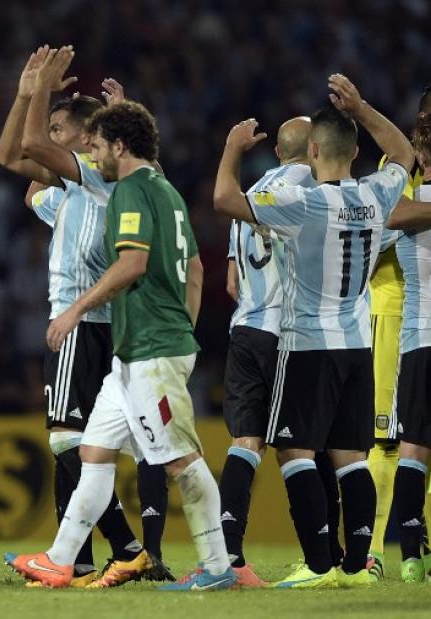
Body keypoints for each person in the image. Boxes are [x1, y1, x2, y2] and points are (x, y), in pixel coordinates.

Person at [5, 71, 234, 590]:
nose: (93, 154)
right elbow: (195, 269)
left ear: (120, 147)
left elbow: (131, 264)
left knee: (181, 459)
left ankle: (219, 568)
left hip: (151, 347)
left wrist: (71, 312)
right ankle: (60, 559)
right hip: (136, 351)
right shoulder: (167, 190)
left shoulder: (130, 191)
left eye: (100, 145)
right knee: (92, 451)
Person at [213, 74, 413, 588]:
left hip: (302, 341)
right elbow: (403, 154)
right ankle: (359, 562)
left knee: (294, 451)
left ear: (314, 149)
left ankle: (321, 560)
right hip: (357, 341)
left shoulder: (302, 203)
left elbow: (225, 202)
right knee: (350, 456)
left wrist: (233, 151)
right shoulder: (377, 194)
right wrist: (363, 106)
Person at [0, 46, 154, 588]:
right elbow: (13, 159)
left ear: (88, 140)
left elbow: (29, 146)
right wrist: (24, 96)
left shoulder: (99, 178)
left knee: (67, 440)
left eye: (61, 129)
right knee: (82, 442)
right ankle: (76, 560)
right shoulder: (72, 193)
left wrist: (36, 87)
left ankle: (129, 548)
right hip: (101, 325)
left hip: (84, 324)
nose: (50, 136)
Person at [220, 117, 318, 587]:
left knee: (246, 443)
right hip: (286, 331)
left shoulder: (253, 188)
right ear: (316, 150)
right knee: (297, 447)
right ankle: (320, 561)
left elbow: (231, 278)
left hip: (245, 328)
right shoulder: (314, 190)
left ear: (278, 152)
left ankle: (229, 558)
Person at [366, 86, 431, 579]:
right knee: (389, 440)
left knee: (405, 442)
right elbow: (375, 227)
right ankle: (374, 551)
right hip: (393, 314)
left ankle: (410, 548)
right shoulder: (398, 170)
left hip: (409, 319)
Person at [385, 113, 431, 583]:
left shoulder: (405, 206)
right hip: (417, 338)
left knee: (413, 450)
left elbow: (384, 221)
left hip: (418, 339)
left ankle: (412, 557)